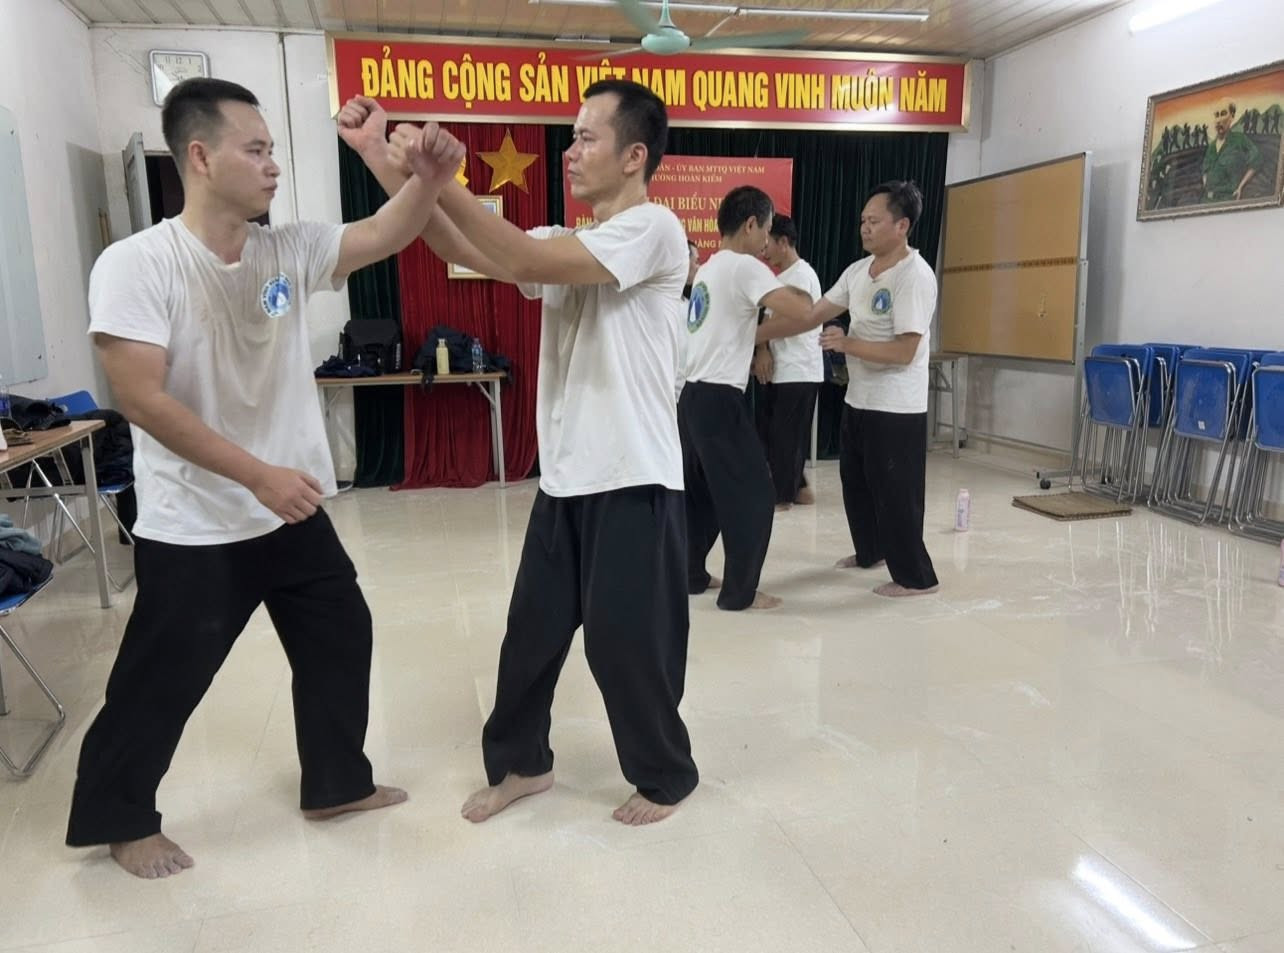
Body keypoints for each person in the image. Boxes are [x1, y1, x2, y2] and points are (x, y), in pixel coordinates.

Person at [63, 78, 463, 879]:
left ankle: (336, 783)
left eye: (273, 149)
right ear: (201, 157)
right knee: (161, 679)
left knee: (340, 636)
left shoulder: (286, 249)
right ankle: (120, 819)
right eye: (256, 149)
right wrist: (257, 477)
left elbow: (385, 232)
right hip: (196, 520)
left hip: (290, 508)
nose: (273, 165)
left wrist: (426, 179)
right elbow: (140, 398)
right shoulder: (137, 264)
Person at [339, 81, 698, 826]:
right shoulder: (569, 239)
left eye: (587, 137)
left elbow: (518, 251)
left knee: (626, 645)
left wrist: (441, 176)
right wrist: (380, 156)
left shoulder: (654, 228)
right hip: (566, 480)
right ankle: (522, 764)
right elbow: (458, 244)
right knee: (530, 638)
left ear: (635, 156)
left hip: (634, 476)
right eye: (571, 137)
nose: (571, 151)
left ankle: (665, 775)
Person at [757, 181, 940, 598]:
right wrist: (752, 336)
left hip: (896, 407)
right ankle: (871, 552)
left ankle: (916, 577)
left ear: (902, 226)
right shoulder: (859, 271)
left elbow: (905, 351)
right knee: (856, 483)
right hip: (860, 398)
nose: (865, 228)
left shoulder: (913, 276)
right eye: (862, 221)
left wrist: (846, 344)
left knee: (896, 492)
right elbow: (811, 314)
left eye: (874, 221)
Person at [681, 187, 814, 611]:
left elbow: (740, 328)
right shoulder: (744, 266)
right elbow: (800, 310)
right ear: (751, 224)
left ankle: (691, 574)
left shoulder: (709, 268)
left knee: (703, 496)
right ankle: (739, 594)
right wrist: (805, 294)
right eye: (766, 230)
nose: (766, 242)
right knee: (755, 495)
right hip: (719, 399)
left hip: (693, 398)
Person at [753, 214, 823, 510]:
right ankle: (798, 489)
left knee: (786, 436)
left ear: (783, 242)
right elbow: (769, 322)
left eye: (768, 243)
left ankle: (782, 497)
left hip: (799, 369)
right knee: (776, 433)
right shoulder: (779, 279)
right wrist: (762, 348)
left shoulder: (802, 276)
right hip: (782, 369)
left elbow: (791, 321)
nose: (764, 250)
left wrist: (758, 340)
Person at [1203, 99, 1260, 202]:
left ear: (1232, 116)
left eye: (1223, 114)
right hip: (1208, 201)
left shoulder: (1240, 139)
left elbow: (1257, 159)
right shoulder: (1211, 147)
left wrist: (1240, 187)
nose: (1219, 120)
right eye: (1216, 115)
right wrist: (1208, 189)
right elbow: (1205, 171)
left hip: (1229, 199)